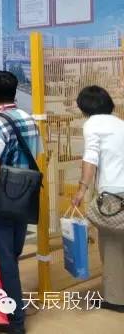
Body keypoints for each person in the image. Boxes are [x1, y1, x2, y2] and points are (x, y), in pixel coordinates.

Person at [0, 71, 42, 334]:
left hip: (1, 199)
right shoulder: (28, 118)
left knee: (4, 261)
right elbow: (37, 154)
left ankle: (15, 321)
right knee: (11, 255)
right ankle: (4, 312)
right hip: (24, 198)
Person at [72, 86, 124, 313]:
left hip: (113, 194)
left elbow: (91, 158)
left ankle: (115, 299)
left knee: (111, 247)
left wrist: (81, 189)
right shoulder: (120, 123)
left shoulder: (93, 124)